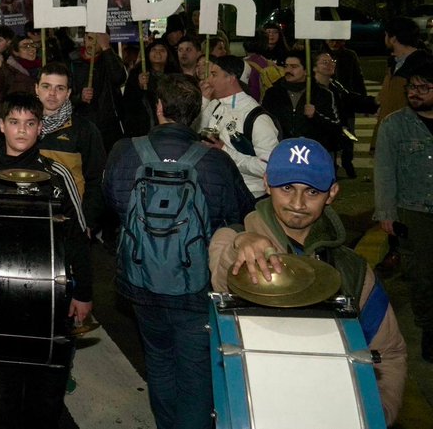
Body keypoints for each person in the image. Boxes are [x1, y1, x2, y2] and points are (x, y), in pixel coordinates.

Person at [209, 138, 408, 425]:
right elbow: (222, 271)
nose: (298, 203)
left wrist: (376, 415)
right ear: (266, 183)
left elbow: (389, 351)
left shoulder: (352, 269)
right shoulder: (235, 238)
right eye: (287, 188)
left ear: (332, 193)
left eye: (312, 191)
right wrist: (242, 243)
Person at [104, 74, 255, 429]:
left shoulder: (125, 150)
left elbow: (114, 203)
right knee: (195, 374)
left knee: (158, 363)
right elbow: (236, 217)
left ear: (158, 108)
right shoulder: (215, 161)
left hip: (142, 282)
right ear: (196, 115)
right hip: (193, 287)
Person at [0, 92, 92, 428]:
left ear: (40, 128)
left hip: (51, 298)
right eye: (14, 122)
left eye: (29, 123)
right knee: (0, 389)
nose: (21, 131)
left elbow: (78, 235)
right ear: (1, 125)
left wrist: (83, 292)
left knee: (46, 389)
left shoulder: (56, 174)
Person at [374, 54, 433, 363]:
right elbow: (384, 170)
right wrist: (386, 213)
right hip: (414, 211)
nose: (415, 93)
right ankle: (429, 330)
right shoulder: (395, 125)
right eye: (412, 87)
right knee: (422, 276)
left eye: (424, 88)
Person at [35, 62, 107, 233]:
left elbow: (96, 179)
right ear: (36, 89)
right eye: (46, 86)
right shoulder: (23, 126)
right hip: (32, 215)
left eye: (60, 88)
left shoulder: (84, 130)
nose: (52, 94)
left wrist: (88, 221)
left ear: (68, 93)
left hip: (70, 219)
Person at [196, 55, 280, 198]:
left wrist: (225, 151)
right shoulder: (216, 104)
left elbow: (268, 166)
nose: (208, 80)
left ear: (231, 78)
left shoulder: (257, 118)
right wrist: (204, 100)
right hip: (220, 189)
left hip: (250, 195)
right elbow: (196, 132)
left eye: (214, 75)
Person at [261, 49, 340, 153]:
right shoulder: (273, 93)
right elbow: (264, 122)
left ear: (306, 70)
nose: (288, 70)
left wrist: (315, 116)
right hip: (282, 151)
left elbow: (335, 127)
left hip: (313, 153)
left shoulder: (322, 94)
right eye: (286, 66)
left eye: (294, 67)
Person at [374, 16, 431, 152]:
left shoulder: (424, 64)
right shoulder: (394, 63)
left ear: (393, 38)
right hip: (390, 132)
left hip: (413, 138)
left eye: (386, 35)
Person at [68, 31, 127, 150]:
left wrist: (106, 48)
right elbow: (64, 95)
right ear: (84, 38)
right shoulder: (71, 61)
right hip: (82, 121)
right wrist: (80, 97)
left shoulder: (111, 59)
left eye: (98, 40)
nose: (92, 43)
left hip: (109, 123)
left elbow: (119, 78)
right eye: (90, 38)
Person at [326, 37, 368, 175]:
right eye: (331, 40)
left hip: (346, 101)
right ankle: (332, 165)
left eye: (337, 40)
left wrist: (363, 100)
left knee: (349, 133)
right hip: (328, 101)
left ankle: (347, 161)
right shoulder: (322, 55)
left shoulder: (350, 55)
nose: (334, 43)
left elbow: (357, 77)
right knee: (330, 134)